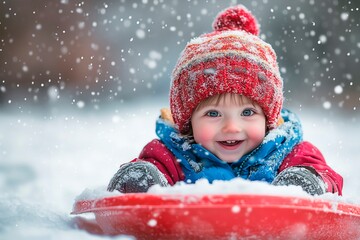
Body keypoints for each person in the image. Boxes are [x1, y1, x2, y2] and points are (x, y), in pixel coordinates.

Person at [107, 5, 343, 195]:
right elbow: (153, 165)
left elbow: (327, 176)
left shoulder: (287, 151)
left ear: (268, 119)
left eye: (248, 113)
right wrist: (142, 179)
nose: (231, 127)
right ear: (189, 122)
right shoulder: (174, 153)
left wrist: (309, 181)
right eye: (213, 114)